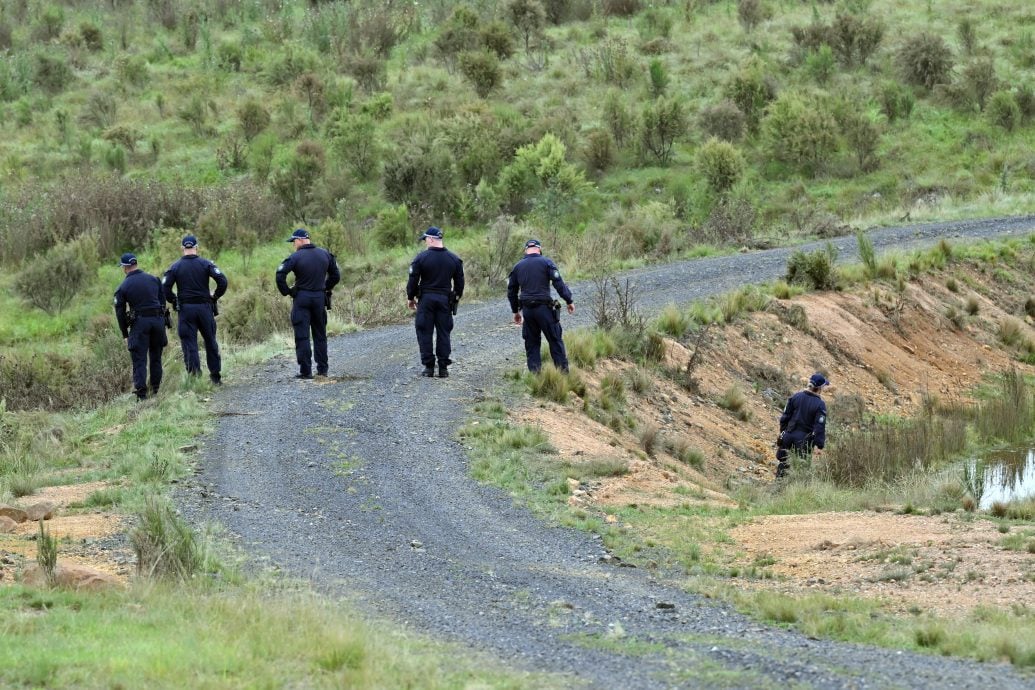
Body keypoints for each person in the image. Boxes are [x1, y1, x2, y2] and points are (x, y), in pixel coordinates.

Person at [162, 234, 228, 385]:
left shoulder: (175, 267)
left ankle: (195, 378)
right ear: (197, 247)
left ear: (182, 248)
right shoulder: (205, 264)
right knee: (210, 341)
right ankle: (215, 377)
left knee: (189, 344)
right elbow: (222, 281)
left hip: (185, 310)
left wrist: (174, 299)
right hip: (205, 308)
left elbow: (164, 288)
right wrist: (215, 296)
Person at [275, 228, 340, 379]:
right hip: (319, 298)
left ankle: (306, 371)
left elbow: (280, 275)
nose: (293, 245)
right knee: (320, 335)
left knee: (302, 336)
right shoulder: (325, 254)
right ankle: (322, 370)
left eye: (294, 241)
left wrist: (288, 291)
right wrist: (325, 286)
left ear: (300, 240)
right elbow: (336, 275)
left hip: (302, 298)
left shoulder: (295, 257)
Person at [507, 238, 575, 373]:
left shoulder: (517, 267)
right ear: (539, 249)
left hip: (527, 311)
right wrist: (569, 300)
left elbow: (511, 292)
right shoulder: (546, 263)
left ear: (526, 250)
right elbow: (558, 283)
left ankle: (536, 377)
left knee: (532, 345)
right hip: (544, 309)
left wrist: (516, 311)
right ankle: (563, 375)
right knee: (555, 341)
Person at [406, 227, 464, 378]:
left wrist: (410, 298)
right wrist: (455, 298)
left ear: (431, 239)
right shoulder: (454, 259)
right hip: (445, 300)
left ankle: (429, 367)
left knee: (424, 331)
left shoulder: (421, 258)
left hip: (426, 299)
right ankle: (443, 368)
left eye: (425, 240)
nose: (425, 243)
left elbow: (413, 281)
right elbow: (460, 284)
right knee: (444, 332)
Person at [113, 253, 168, 401]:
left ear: (125, 267)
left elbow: (120, 312)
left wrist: (125, 334)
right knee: (156, 357)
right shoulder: (154, 279)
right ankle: (155, 391)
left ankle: (142, 395)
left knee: (139, 359)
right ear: (136, 264)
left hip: (140, 323)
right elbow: (163, 303)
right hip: (157, 321)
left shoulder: (123, 287)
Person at [775, 372, 830, 478]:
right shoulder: (820, 405)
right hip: (803, 441)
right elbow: (819, 426)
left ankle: (778, 488)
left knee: (783, 464)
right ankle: (794, 492)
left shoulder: (796, 396)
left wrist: (783, 432)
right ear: (819, 388)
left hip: (788, 435)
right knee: (800, 469)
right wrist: (819, 445)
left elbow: (784, 417)